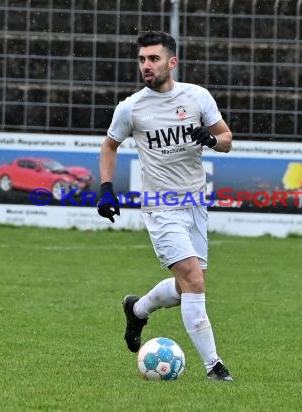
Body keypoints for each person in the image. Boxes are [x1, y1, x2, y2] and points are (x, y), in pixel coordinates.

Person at [97, 30, 233, 381]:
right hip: (160, 207)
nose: (146, 65)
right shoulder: (131, 108)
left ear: (172, 62)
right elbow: (109, 146)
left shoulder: (197, 97)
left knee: (189, 283)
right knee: (193, 279)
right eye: (142, 59)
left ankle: (138, 309)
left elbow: (227, 139)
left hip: (195, 204)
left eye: (154, 58)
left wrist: (212, 139)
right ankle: (214, 366)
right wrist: (106, 188)